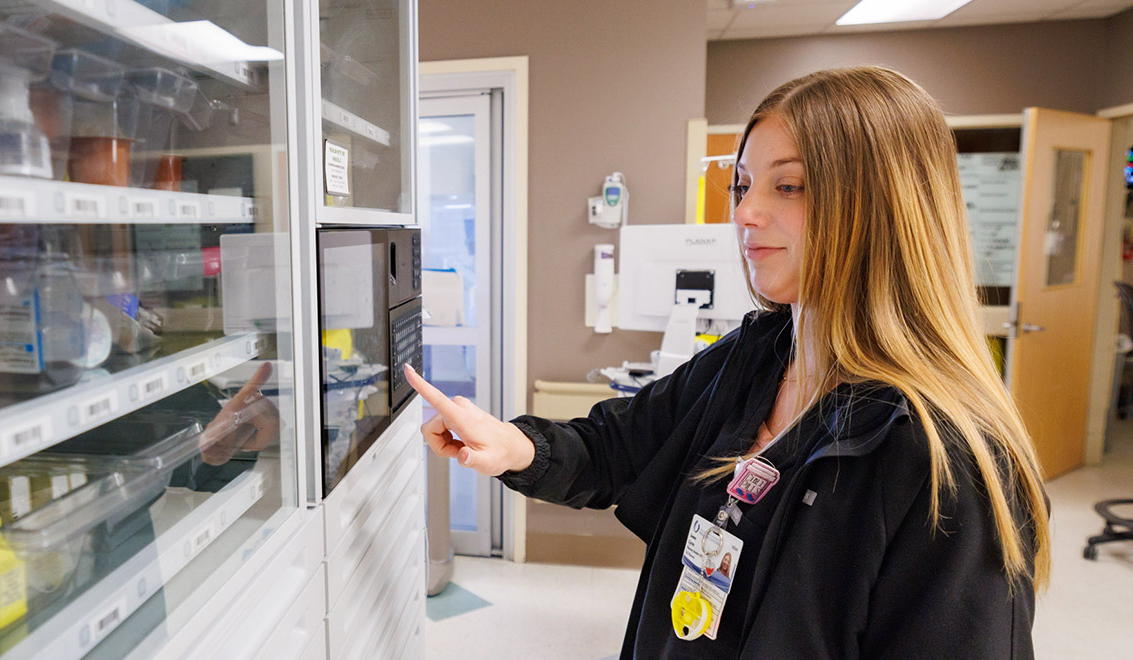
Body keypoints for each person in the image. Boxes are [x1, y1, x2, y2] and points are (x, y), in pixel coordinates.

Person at [403, 66, 1049, 659]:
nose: (743, 212)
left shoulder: (944, 458)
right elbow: (618, 448)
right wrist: (513, 444)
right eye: (742, 185)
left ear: (884, 206)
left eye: (788, 186)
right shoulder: (754, 358)